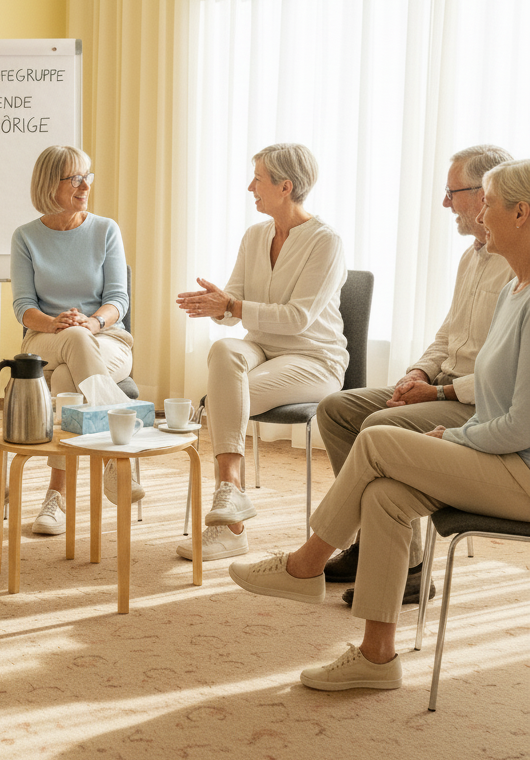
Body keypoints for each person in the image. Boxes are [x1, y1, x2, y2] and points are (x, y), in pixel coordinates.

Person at [227, 158, 530, 691]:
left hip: (520, 468)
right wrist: (431, 388)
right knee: (386, 494)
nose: (480, 214)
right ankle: (376, 656)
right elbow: (489, 390)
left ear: (521, 214)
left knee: (378, 441)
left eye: (488, 202)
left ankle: (305, 565)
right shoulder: (515, 291)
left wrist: (451, 434)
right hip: (497, 447)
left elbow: (519, 427)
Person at [317, 145, 513, 604]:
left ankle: (403, 564)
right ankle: (377, 544)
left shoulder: (516, 264)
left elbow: (502, 374)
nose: (446, 204)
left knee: (378, 428)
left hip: (473, 401)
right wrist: (416, 372)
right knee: (336, 409)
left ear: (485, 195)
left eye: (453, 192)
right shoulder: (473, 256)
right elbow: (449, 332)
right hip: (440, 383)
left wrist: (439, 388)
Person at [177, 143, 346, 560]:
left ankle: (231, 523)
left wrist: (232, 306)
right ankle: (230, 496)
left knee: (229, 394)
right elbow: (236, 304)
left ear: (285, 187)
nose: (250, 186)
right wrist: (219, 303)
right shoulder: (255, 235)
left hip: (314, 358)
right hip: (261, 348)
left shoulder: (326, 242)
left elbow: (297, 318)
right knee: (224, 351)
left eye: (259, 179)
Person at [11, 145, 136, 534]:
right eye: (75, 178)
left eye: (88, 176)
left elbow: (118, 299)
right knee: (72, 344)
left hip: (106, 340)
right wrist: (54, 323)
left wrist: (91, 323)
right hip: (44, 340)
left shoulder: (105, 230)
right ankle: (118, 460)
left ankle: (56, 497)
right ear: (51, 184)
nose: (86, 185)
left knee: (67, 383)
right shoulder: (26, 237)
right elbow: (23, 306)